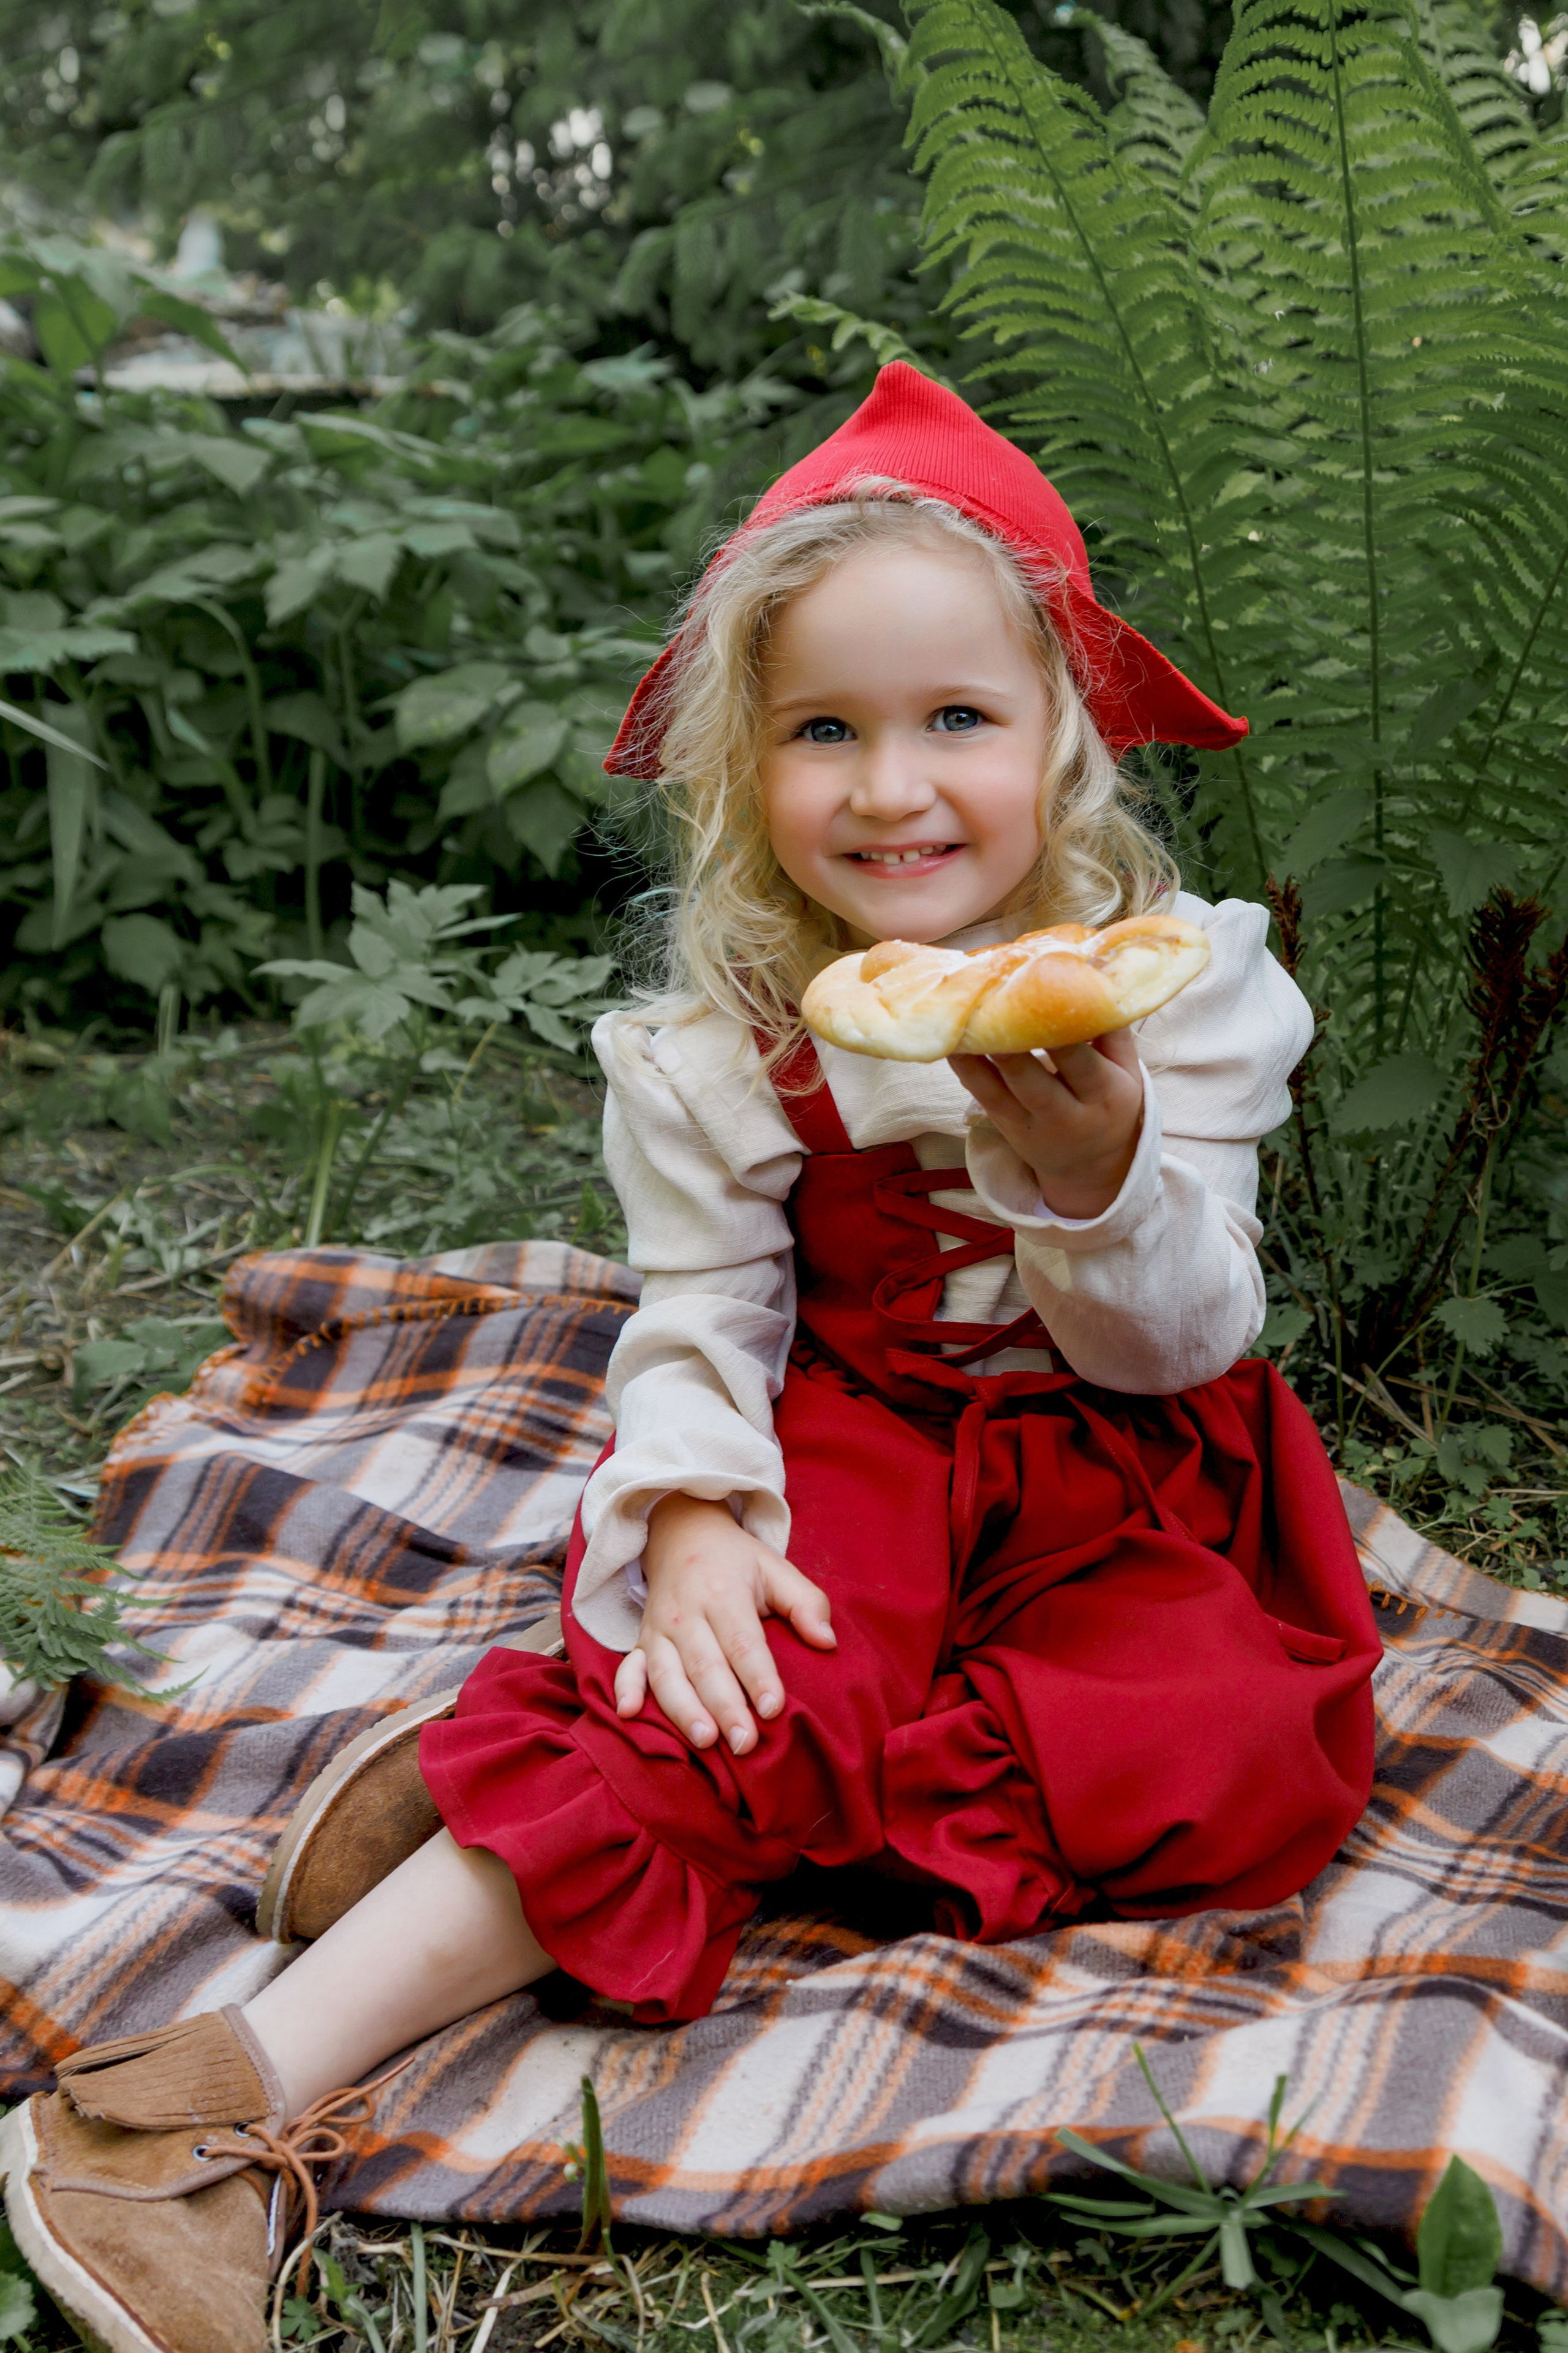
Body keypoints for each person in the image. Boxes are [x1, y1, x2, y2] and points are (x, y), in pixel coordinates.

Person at [1, 364, 1379, 2353]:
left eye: (957, 720)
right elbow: (705, 1314)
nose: (891, 789)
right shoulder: (730, 1038)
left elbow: (1186, 1345)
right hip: (863, 1445)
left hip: (1123, 1465)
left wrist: (1099, 1177)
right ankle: (189, 2111)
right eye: (825, 730)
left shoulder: (1181, 991)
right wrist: (703, 1511)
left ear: (1063, 734)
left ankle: (463, 1792)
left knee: (1229, 1763)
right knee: (735, 1703)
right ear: (745, 761)